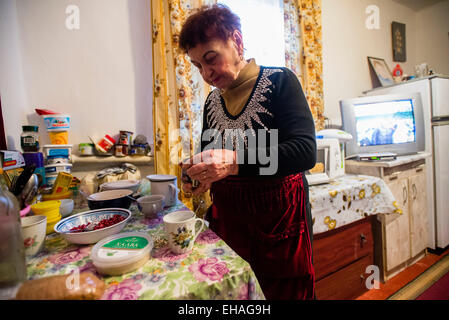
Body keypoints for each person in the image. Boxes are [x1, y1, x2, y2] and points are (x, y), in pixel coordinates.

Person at [178, 4, 317, 300]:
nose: (206, 72)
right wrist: (199, 175)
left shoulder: (280, 81)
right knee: (237, 295)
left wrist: (234, 162)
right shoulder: (212, 103)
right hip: (231, 223)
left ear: (237, 42)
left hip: (280, 222)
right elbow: (210, 153)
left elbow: (305, 151)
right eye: (197, 66)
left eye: (211, 58)